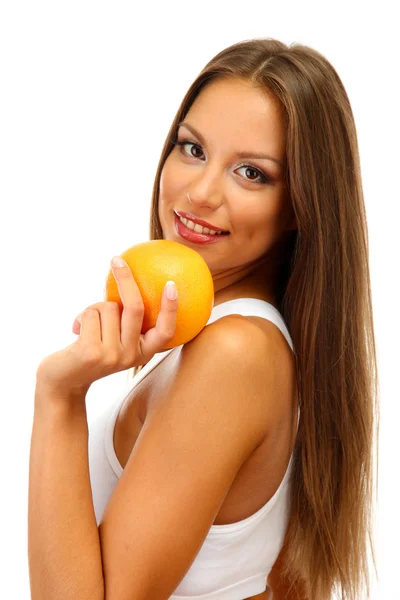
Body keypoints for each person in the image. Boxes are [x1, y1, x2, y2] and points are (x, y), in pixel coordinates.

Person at [29, 38, 379, 600]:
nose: (199, 192)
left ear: (301, 204)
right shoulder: (232, 338)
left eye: (250, 172)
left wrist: (58, 397)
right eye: (192, 149)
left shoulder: (234, 353)